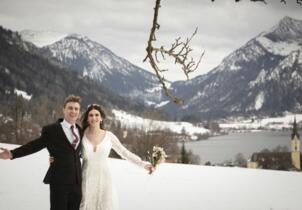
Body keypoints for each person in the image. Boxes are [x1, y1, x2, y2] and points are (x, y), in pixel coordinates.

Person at [0, 95, 83, 210]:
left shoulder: (81, 131)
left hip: (77, 184)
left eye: (76, 109)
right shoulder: (51, 130)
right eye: (70, 108)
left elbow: (79, 152)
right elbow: (34, 145)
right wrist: (12, 154)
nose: (73, 111)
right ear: (63, 109)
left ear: (79, 112)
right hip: (59, 182)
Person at [77, 104, 154, 210]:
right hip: (86, 179)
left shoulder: (109, 136)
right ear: (87, 118)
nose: (94, 117)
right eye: (90, 115)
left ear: (101, 118)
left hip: (104, 179)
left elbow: (124, 152)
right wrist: (54, 158)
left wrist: (142, 164)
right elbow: (68, 152)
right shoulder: (81, 135)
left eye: (96, 115)